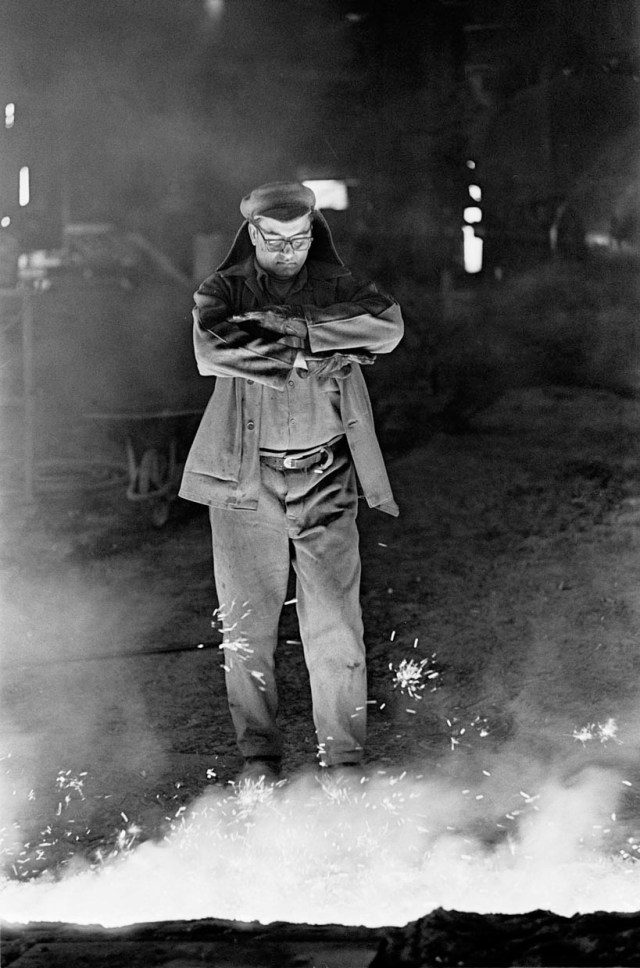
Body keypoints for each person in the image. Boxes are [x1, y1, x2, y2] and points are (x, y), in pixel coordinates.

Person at [179, 180, 404, 782]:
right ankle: (259, 758)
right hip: (243, 482)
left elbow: (386, 327)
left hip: (327, 474)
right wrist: (318, 347)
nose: (288, 251)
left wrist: (286, 329)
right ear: (252, 234)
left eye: (299, 239)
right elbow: (212, 348)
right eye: (275, 240)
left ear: (314, 233)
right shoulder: (221, 291)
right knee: (247, 627)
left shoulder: (342, 286)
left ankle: (344, 761)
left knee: (336, 627)